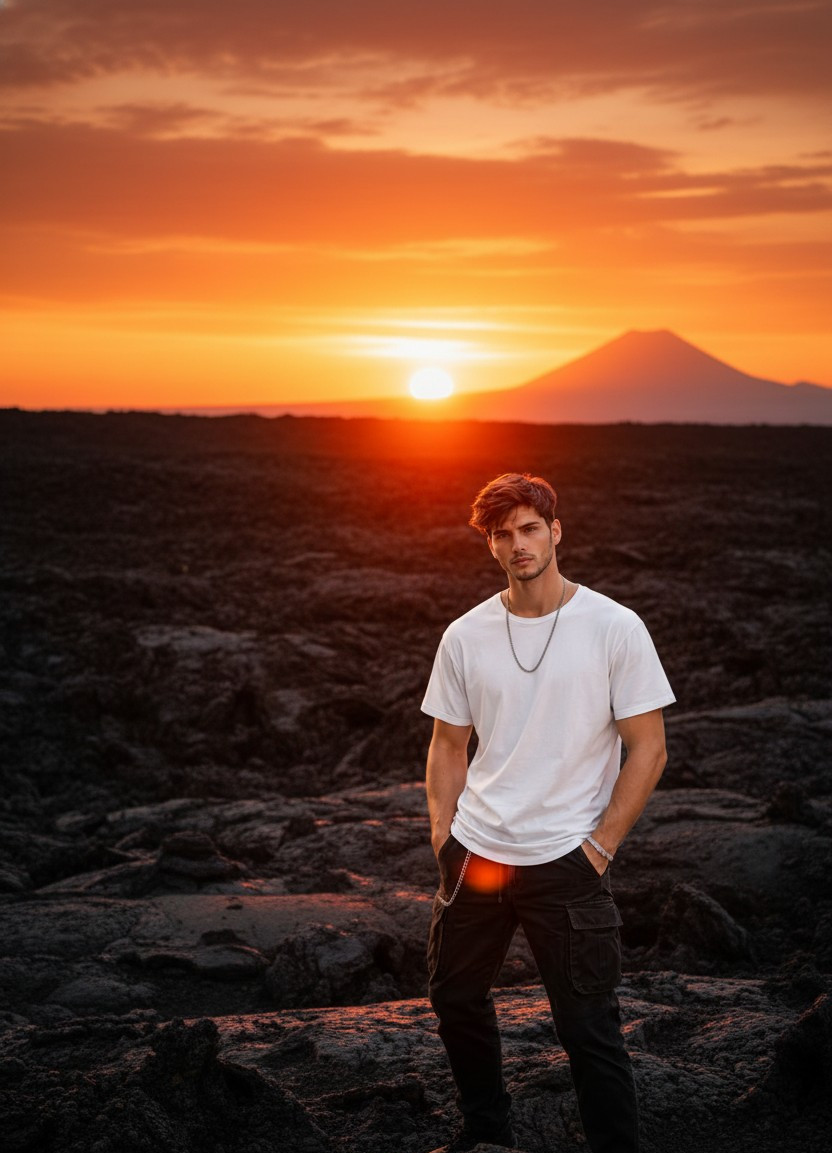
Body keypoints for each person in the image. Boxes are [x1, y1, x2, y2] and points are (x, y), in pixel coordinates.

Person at [422, 472, 675, 1153]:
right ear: (491, 546)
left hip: (566, 862)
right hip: (476, 855)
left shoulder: (614, 627)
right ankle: (487, 1135)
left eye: (530, 528)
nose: (517, 544)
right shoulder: (466, 634)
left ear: (556, 531)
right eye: (502, 534)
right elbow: (447, 744)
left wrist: (599, 847)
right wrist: (445, 837)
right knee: (455, 999)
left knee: (588, 1026)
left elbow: (648, 748)